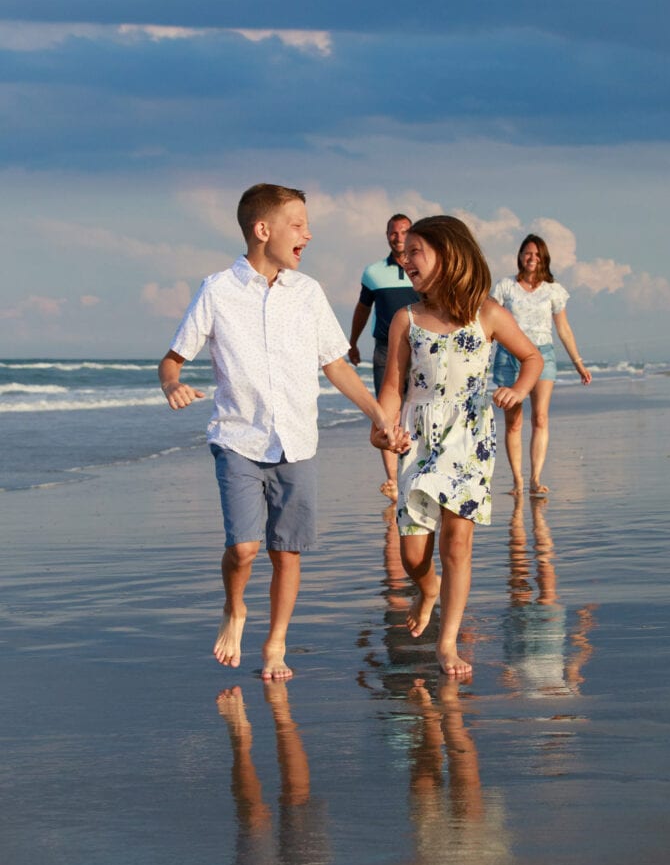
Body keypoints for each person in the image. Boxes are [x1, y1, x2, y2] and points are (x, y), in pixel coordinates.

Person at [158, 183, 407, 681]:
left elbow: (335, 365)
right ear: (262, 230)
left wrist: (379, 415)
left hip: (297, 440)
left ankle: (275, 644)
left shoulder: (308, 293)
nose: (308, 235)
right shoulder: (218, 290)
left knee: (286, 551)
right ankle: (235, 607)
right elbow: (172, 359)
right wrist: (173, 385)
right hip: (237, 439)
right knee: (246, 548)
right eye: (298, 225)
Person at [371, 216, 542, 679]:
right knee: (412, 557)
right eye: (402, 254)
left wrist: (520, 391)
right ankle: (428, 589)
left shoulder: (486, 313)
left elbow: (532, 356)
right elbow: (393, 386)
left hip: (468, 436)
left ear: (446, 254)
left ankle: (447, 642)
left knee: (458, 540)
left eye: (414, 252)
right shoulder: (406, 320)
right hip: (418, 435)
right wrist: (382, 423)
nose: (404, 261)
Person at [491, 233, 592, 496]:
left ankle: (535, 477)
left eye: (537, 254)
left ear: (544, 258)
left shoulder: (553, 290)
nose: (532, 258)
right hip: (508, 356)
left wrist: (578, 363)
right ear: (520, 256)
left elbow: (564, 330)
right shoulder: (504, 287)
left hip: (543, 355)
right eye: (527, 253)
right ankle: (518, 480)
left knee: (540, 417)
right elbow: (489, 324)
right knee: (513, 422)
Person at [348, 213, 415, 502]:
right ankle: (392, 479)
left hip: (422, 347)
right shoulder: (374, 272)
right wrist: (352, 342)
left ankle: (413, 468)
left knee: (416, 407)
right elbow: (362, 309)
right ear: (386, 235)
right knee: (385, 412)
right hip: (385, 349)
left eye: (403, 232)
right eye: (393, 233)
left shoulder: (422, 267)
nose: (398, 237)